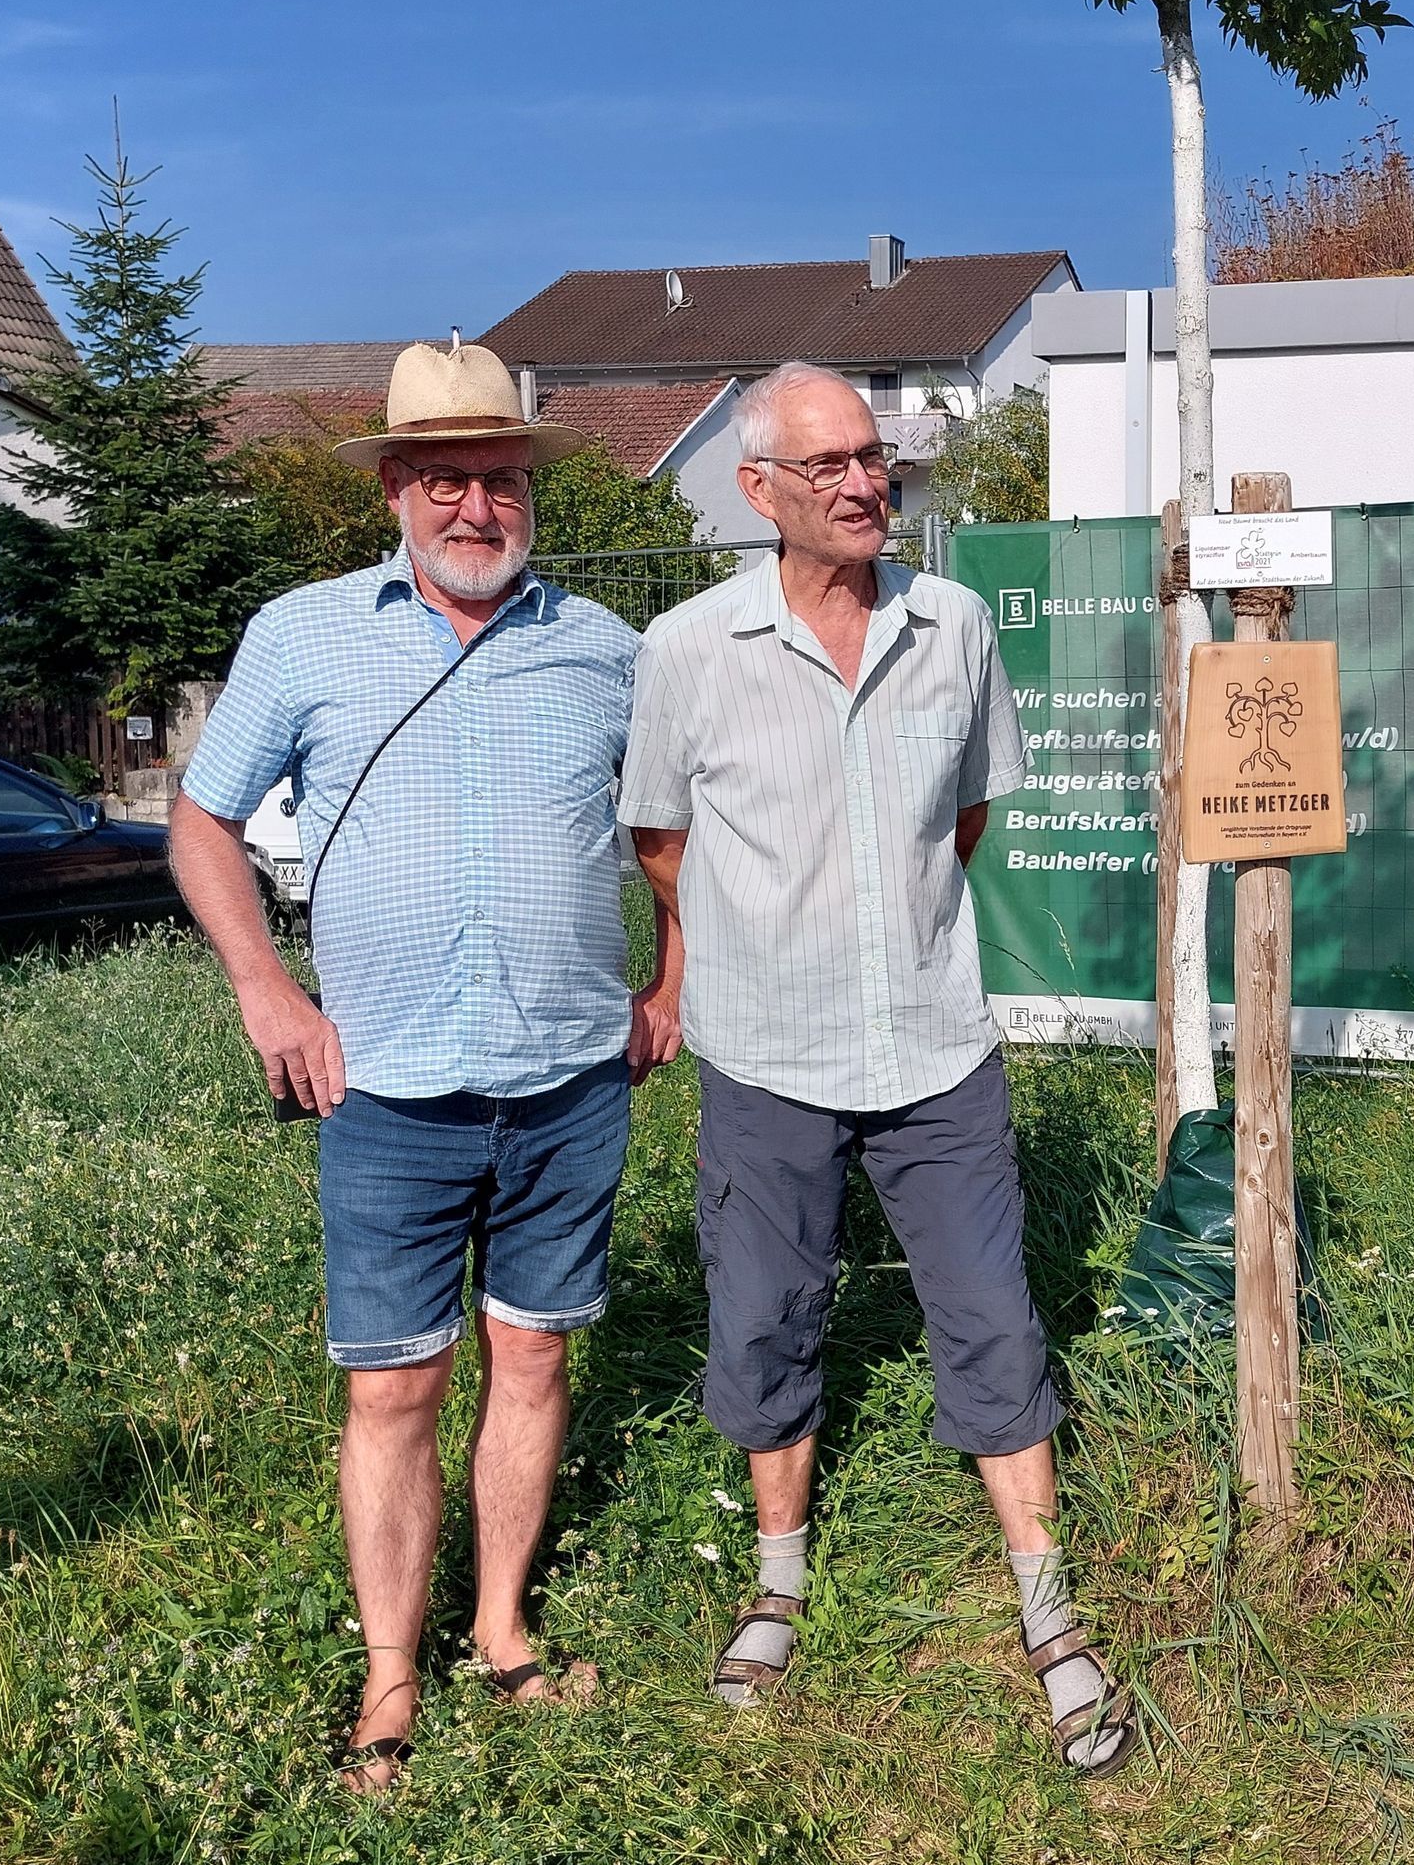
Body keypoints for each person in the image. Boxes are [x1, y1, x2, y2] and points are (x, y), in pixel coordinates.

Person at [618, 361, 1134, 1777]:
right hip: (768, 1050)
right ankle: (778, 1579)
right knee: (766, 1312)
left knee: (993, 1314)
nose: (865, 483)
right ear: (761, 491)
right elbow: (661, 839)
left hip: (931, 1041)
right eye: (831, 464)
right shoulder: (687, 652)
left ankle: (1046, 1602)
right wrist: (738, 945)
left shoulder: (953, 626)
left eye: (874, 457)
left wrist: (882, 919)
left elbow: (960, 814)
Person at [170, 338, 668, 1792]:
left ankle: (502, 1632)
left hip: (571, 1081)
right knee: (394, 1390)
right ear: (393, 488)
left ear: (532, 493)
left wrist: (672, 982)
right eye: (444, 478)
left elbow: (665, 837)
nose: (475, 508)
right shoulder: (305, 635)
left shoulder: (606, 651)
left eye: (500, 479)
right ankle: (392, 1674)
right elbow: (201, 826)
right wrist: (268, 992)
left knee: (535, 1357)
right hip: (381, 1088)